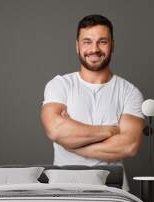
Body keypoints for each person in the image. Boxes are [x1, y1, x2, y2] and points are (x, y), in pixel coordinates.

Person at [41, 14, 145, 190]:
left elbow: (129, 145)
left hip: (112, 190)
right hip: (64, 187)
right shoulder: (60, 85)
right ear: (77, 46)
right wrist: (110, 131)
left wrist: (72, 145)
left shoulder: (130, 92)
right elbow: (56, 130)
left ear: (112, 45)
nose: (94, 49)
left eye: (102, 41)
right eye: (87, 42)